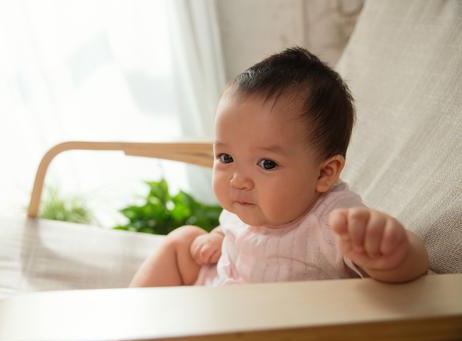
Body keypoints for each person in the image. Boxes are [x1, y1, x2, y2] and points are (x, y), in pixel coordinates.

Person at [129, 47, 429, 287]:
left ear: (324, 173)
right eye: (226, 158)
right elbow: (235, 232)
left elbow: (412, 267)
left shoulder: (333, 220)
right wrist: (218, 237)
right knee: (183, 240)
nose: (237, 180)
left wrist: (392, 252)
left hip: (263, 325)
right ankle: (136, 320)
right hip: (215, 292)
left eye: (267, 163)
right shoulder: (249, 203)